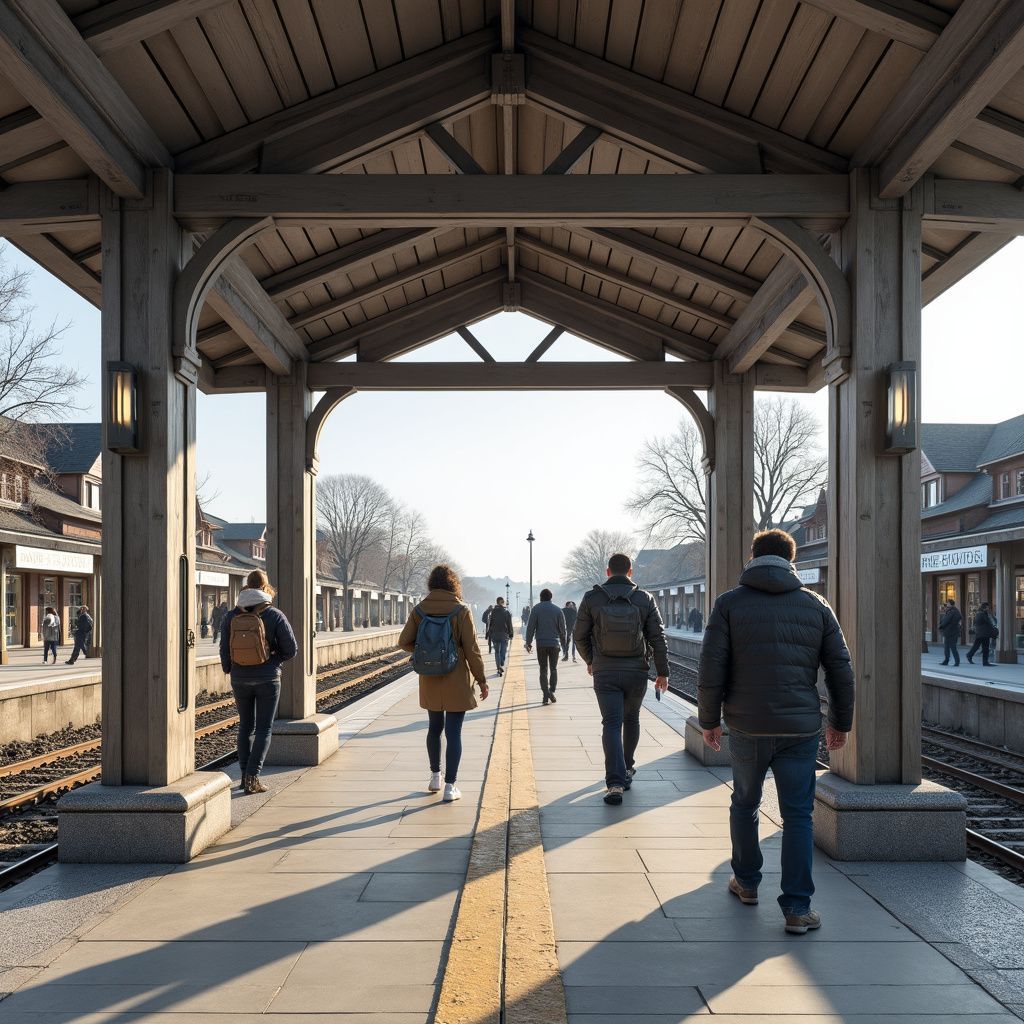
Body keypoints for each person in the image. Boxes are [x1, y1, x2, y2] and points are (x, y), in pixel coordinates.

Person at [698, 528, 854, 936]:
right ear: (792, 560)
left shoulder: (728, 605)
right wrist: (840, 722)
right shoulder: (816, 606)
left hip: (747, 725)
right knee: (799, 815)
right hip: (799, 728)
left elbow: (711, 668)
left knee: (745, 803)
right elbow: (841, 669)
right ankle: (798, 909)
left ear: (753, 557)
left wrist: (709, 720)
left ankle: (747, 883)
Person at [575, 553, 669, 805]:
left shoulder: (592, 597)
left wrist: (591, 660)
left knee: (611, 723)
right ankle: (627, 768)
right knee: (632, 718)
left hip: (604, 670)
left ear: (608, 572)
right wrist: (663, 672)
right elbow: (658, 638)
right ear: (631, 572)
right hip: (636, 671)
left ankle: (614, 783)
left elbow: (578, 636)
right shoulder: (644, 598)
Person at [400, 565, 488, 802]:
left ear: (431, 583)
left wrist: (424, 650)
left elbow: (404, 641)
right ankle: (450, 787)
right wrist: (481, 680)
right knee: (454, 732)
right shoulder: (461, 610)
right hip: (456, 678)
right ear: (453, 585)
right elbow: (472, 649)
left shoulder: (420, 610)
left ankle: (434, 776)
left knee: (434, 728)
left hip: (429, 677)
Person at [219, 569, 297, 794]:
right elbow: (291, 649)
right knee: (264, 728)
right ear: (266, 587)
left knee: (245, 726)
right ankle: (254, 778)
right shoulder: (274, 615)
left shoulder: (231, 615)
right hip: (268, 679)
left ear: (246, 586)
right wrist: (273, 661)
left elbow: (224, 648)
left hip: (240, 678)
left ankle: (244, 776)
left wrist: (230, 669)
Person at [525, 589, 566, 705]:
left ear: (540, 597)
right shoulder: (558, 610)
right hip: (554, 644)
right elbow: (563, 630)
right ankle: (551, 690)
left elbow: (530, 627)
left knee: (543, 670)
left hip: (541, 644)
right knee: (553, 669)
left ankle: (545, 694)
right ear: (551, 597)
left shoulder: (536, 609)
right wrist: (563, 644)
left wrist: (528, 642)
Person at [486, 596, 514, 677]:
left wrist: (488, 633)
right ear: (502, 602)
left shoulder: (492, 612)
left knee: (497, 652)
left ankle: (499, 667)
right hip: (504, 634)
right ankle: (501, 663)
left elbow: (489, 623)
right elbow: (509, 624)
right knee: (503, 651)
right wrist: (511, 633)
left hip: (494, 634)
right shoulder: (506, 611)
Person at [967, 601, 997, 666]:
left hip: (982, 633)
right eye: (987, 607)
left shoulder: (981, 614)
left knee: (978, 646)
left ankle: (970, 655)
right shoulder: (981, 614)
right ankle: (984, 662)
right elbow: (988, 622)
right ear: (984, 607)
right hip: (983, 633)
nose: (988, 608)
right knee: (985, 647)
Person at [939, 599, 962, 667]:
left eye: (948, 603)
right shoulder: (954, 611)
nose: (947, 604)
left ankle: (954, 661)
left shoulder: (952, 611)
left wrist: (941, 626)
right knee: (949, 647)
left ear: (951, 604)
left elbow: (946, 620)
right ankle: (949, 660)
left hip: (951, 631)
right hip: (951, 631)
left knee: (951, 647)